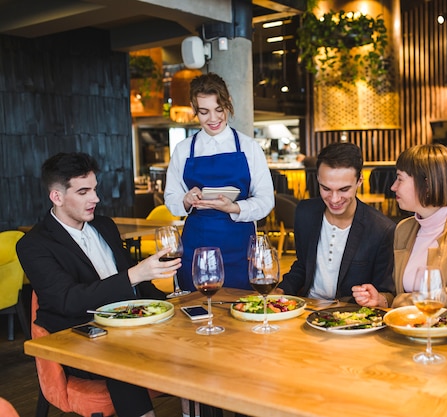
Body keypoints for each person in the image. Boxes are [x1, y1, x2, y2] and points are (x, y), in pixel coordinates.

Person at [17, 152, 178, 417]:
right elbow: (67, 301)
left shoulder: (105, 226)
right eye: (83, 192)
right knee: (119, 358)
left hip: (132, 326)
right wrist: (135, 275)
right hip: (80, 337)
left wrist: (171, 303)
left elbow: (137, 287)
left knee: (197, 344)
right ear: (56, 197)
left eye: (94, 189)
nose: (96, 199)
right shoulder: (34, 245)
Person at [164, 72, 274, 291]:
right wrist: (186, 200)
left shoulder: (248, 147)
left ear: (228, 104)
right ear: (194, 109)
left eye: (219, 109)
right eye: (204, 112)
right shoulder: (183, 149)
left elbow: (266, 200)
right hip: (196, 244)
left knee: (240, 309)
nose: (213, 119)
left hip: (239, 244)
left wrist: (234, 207)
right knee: (197, 310)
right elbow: (171, 198)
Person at [356, 144, 447, 313]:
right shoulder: (404, 229)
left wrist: (397, 302)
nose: (393, 187)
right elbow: (399, 292)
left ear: (426, 184)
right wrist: (383, 299)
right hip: (407, 330)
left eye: (400, 179)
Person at [275, 142, 395, 307]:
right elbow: (303, 266)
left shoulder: (381, 229)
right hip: (307, 308)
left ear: (359, 180)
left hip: (350, 316)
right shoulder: (305, 212)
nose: (334, 199)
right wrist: (281, 290)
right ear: (318, 179)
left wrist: (379, 298)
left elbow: (386, 293)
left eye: (344, 189)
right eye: (326, 188)